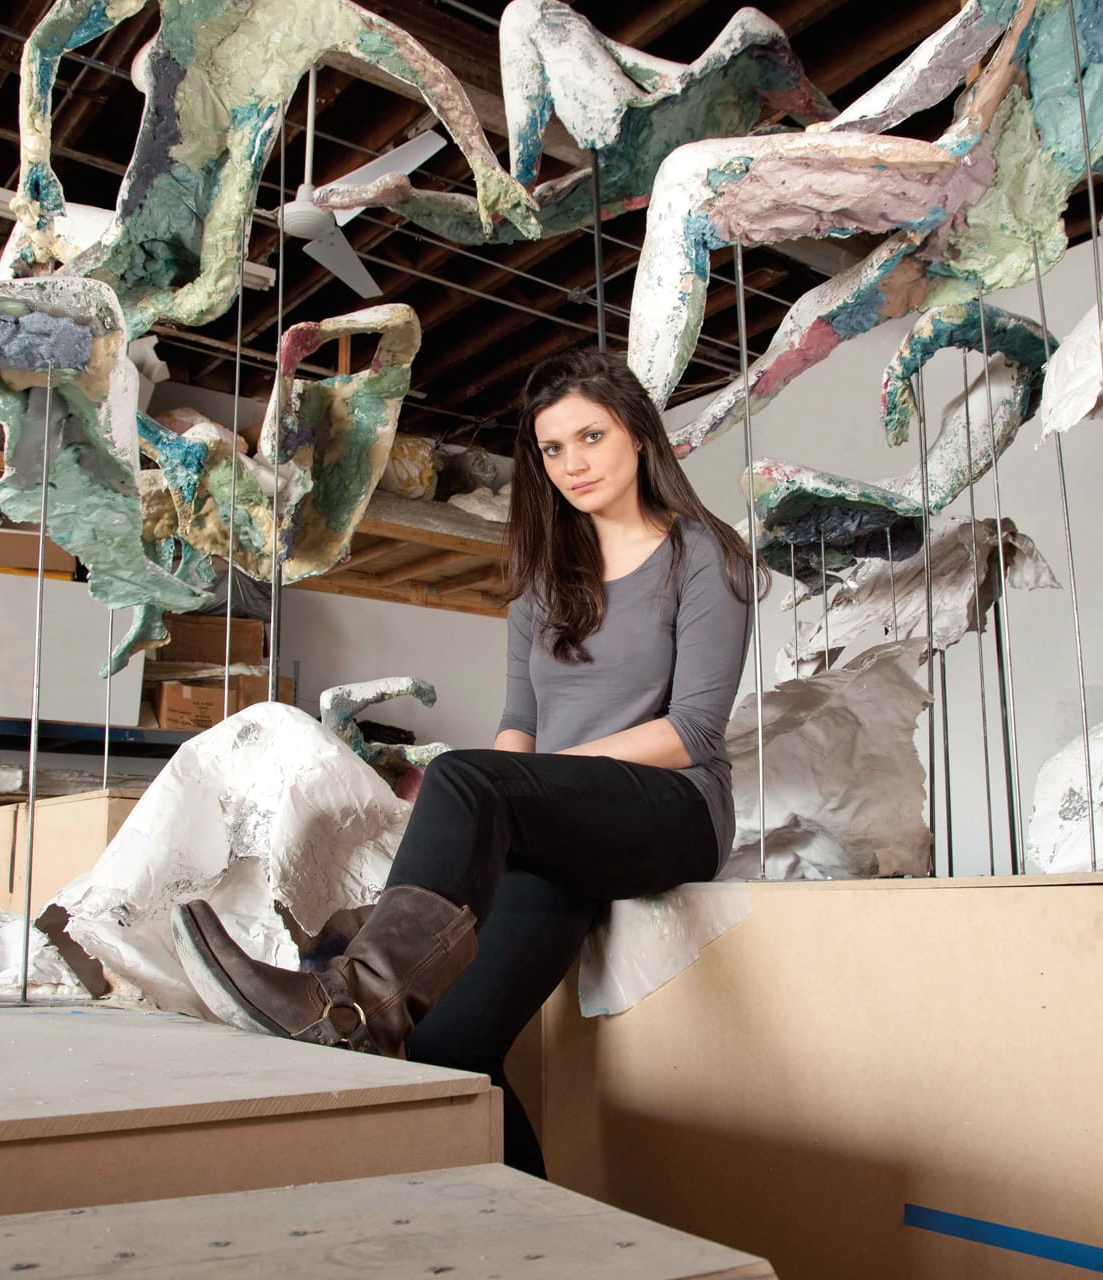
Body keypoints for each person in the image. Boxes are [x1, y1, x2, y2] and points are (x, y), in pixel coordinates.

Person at [172, 347, 763, 1175]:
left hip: (673, 810)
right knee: (452, 1050)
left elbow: (693, 730)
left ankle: (347, 994)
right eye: (552, 449)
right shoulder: (539, 584)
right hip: (553, 822)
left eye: (590, 436)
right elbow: (520, 724)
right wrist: (504, 808)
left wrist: (524, 790)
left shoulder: (706, 554)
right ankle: (526, 1241)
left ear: (636, 433)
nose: (572, 464)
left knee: (465, 775)